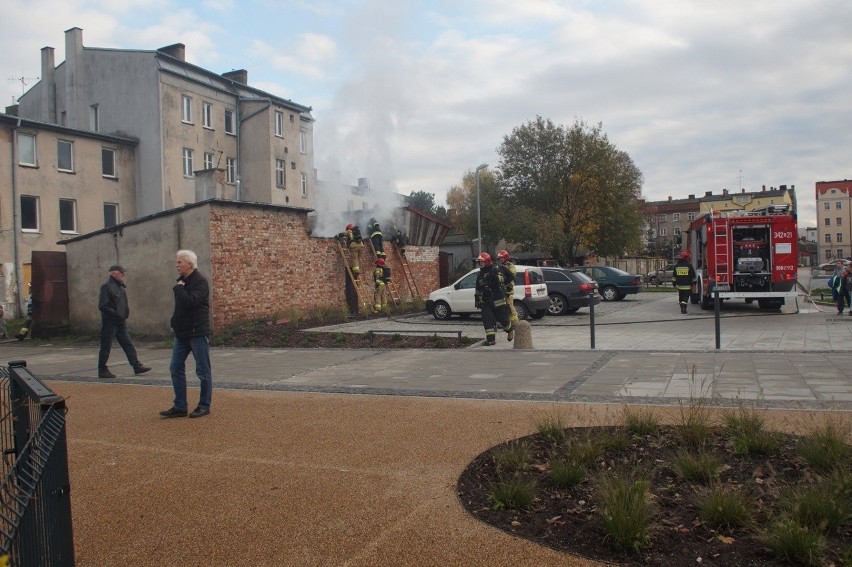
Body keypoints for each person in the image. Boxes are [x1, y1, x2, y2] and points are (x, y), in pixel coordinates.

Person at [160, 250, 212, 419]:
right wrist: (174, 321)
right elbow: (181, 307)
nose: (177, 265)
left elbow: (191, 302)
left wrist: (179, 289)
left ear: (189, 264)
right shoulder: (181, 282)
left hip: (197, 333)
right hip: (182, 334)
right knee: (175, 367)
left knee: (203, 371)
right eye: (177, 262)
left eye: (180, 262)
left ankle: (204, 405)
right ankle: (180, 406)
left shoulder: (200, 282)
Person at [97, 265, 151, 379]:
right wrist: (116, 315)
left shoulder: (120, 286)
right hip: (110, 322)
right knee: (106, 346)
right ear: (113, 274)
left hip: (120, 322)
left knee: (128, 344)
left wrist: (123, 315)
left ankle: (136, 366)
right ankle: (102, 370)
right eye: (121, 272)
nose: (123, 274)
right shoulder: (107, 287)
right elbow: (103, 306)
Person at [474, 252, 513, 345]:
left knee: (503, 319)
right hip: (486, 301)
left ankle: (509, 330)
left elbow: (503, 278)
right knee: (487, 319)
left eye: (481, 262)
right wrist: (477, 297)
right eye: (479, 262)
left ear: (487, 262)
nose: (480, 264)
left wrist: (493, 277)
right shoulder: (480, 274)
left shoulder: (495, 269)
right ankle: (491, 340)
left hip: (497, 298)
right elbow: (478, 287)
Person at [496, 250, 517, 341]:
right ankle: (504, 323)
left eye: (501, 258)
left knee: (509, 306)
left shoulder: (510, 266)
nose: (500, 259)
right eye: (499, 258)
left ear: (505, 258)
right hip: (500, 291)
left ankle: (516, 324)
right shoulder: (498, 266)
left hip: (508, 290)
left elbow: (511, 276)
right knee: (501, 308)